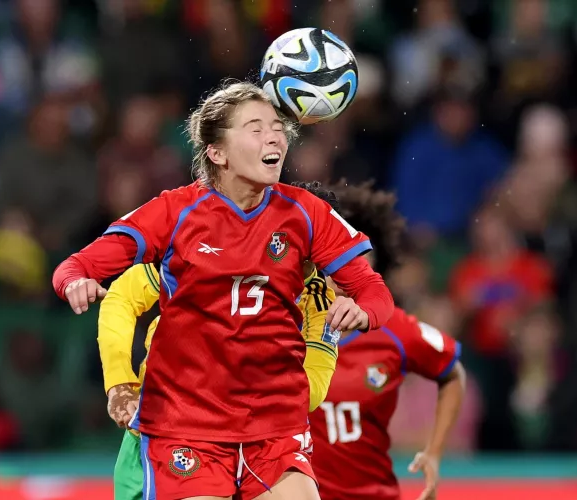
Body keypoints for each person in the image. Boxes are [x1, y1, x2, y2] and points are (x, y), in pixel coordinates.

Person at [52, 81, 395, 500]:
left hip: (275, 428)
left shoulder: (307, 216)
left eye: (276, 127)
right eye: (255, 128)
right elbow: (78, 266)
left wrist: (364, 312)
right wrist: (76, 284)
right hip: (185, 425)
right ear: (217, 152)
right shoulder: (174, 213)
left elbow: (374, 292)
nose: (274, 137)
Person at [100, 259, 338, 500]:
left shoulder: (318, 300)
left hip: (263, 438)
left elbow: (312, 392)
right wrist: (119, 382)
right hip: (172, 431)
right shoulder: (209, 244)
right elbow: (123, 296)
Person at [294, 181, 466, 500]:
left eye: (356, 258)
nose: (342, 268)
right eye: (334, 257)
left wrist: (434, 452)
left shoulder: (394, 330)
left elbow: (453, 372)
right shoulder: (279, 323)